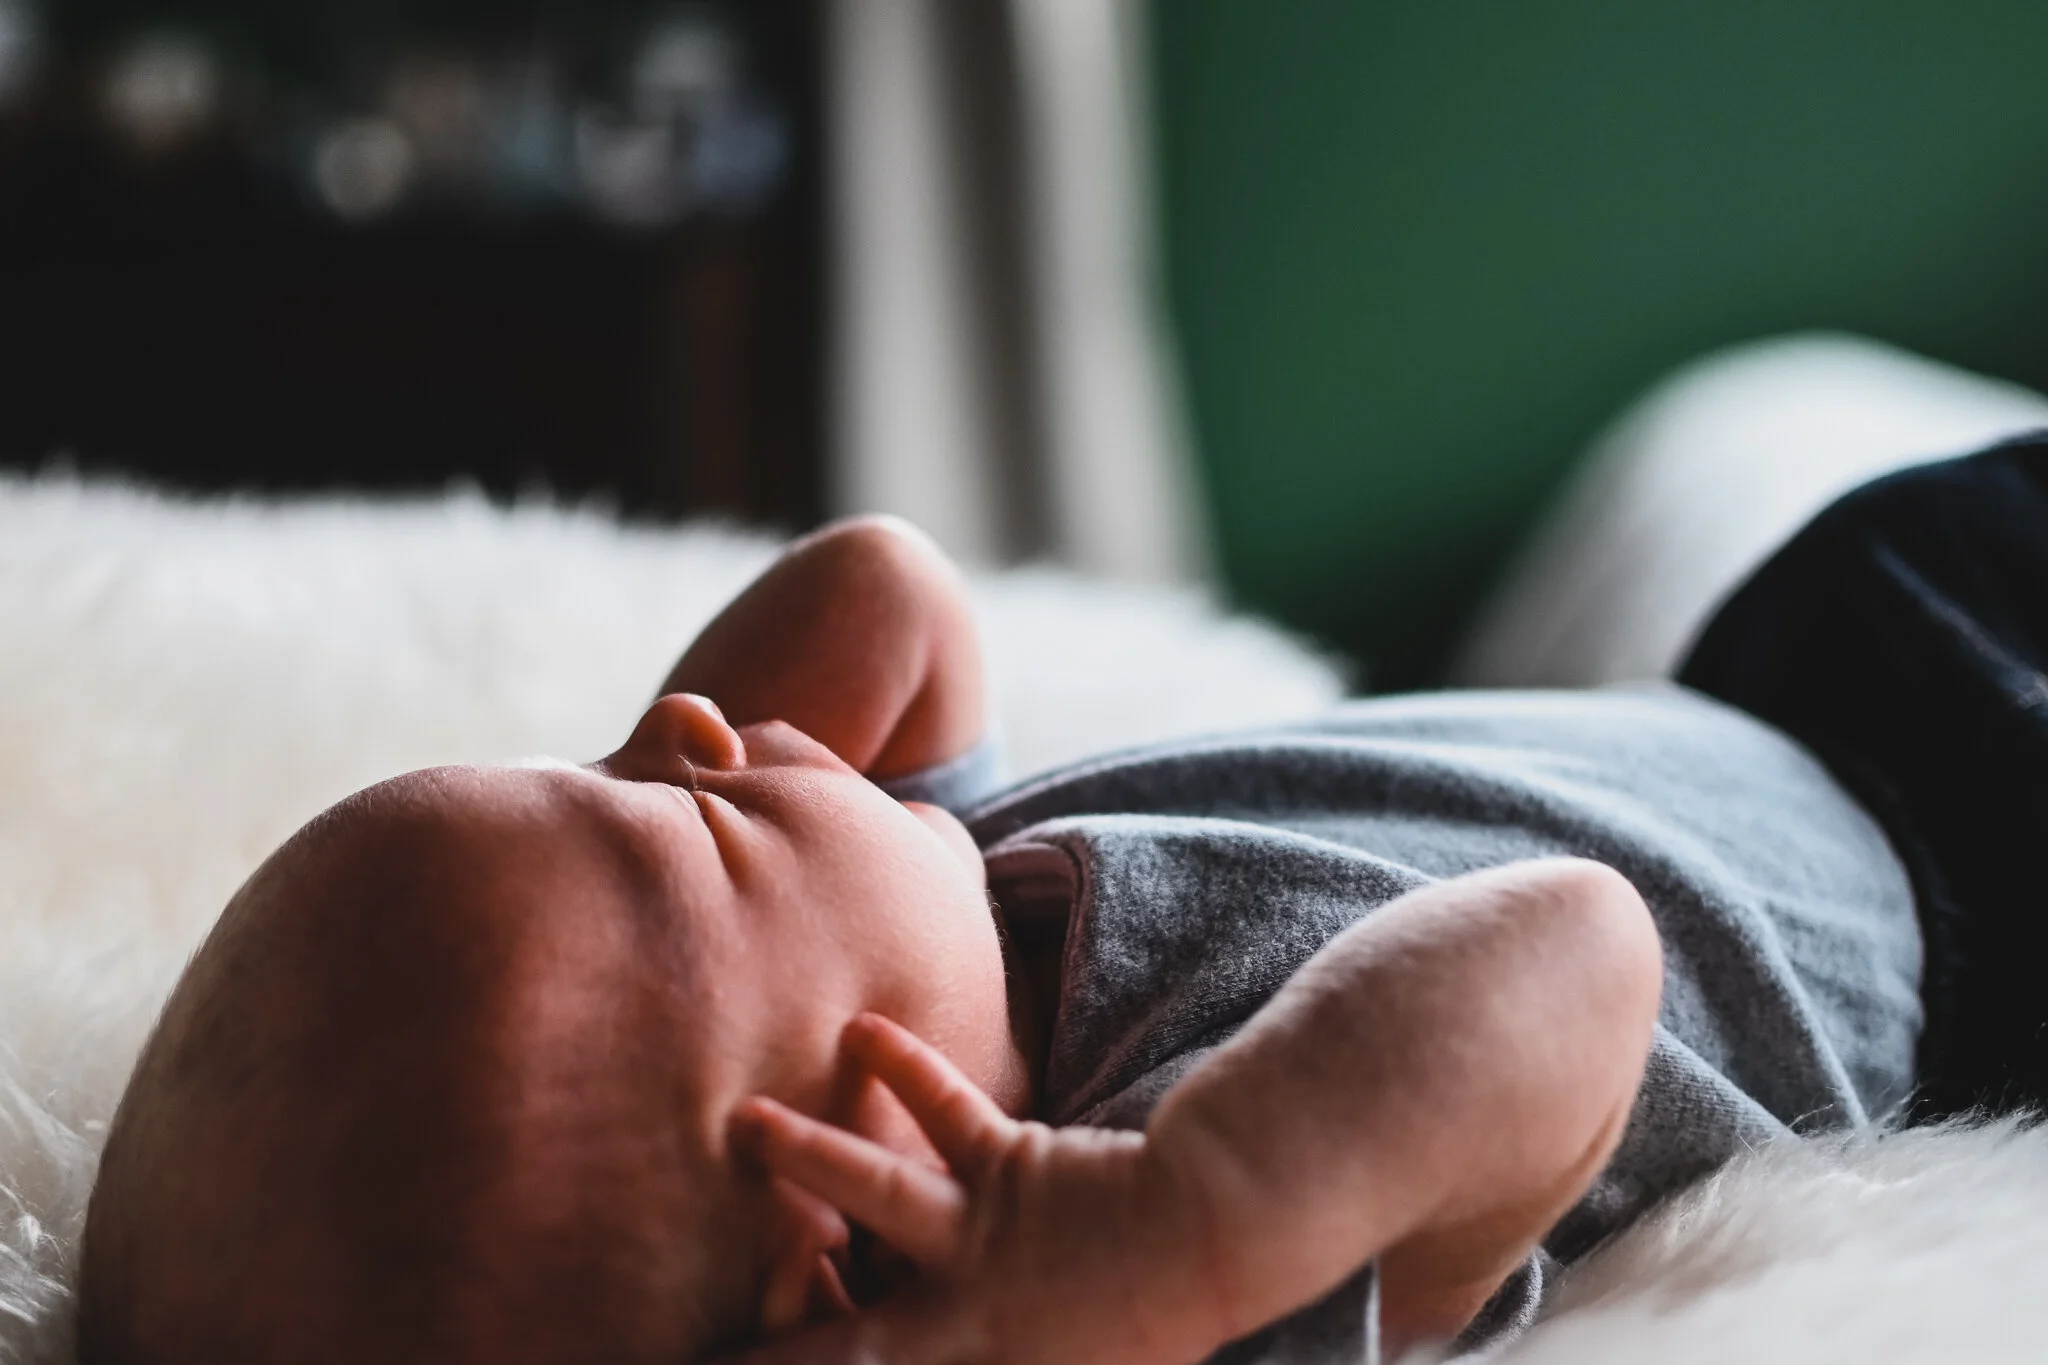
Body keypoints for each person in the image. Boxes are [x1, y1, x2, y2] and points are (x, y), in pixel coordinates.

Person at [90, 422, 2048, 1364]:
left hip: (1807, 668)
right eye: (668, 820)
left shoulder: (958, 925)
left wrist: (657, 839)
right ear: (843, 1218)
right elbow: (1579, 954)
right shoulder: (1195, 1199)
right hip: (1980, 866)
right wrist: (1190, 1221)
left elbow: (887, 592)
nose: (694, 726)